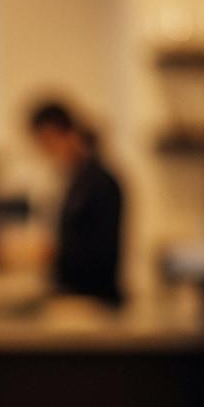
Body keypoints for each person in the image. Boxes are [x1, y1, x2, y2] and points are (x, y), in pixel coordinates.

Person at [29, 102, 124, 305]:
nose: (47, 153)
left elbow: (101, 252)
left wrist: (52, 253)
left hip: (94, 300)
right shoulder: (78, 181)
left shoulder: (98, 182)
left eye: (47, 143)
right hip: (80, 296)